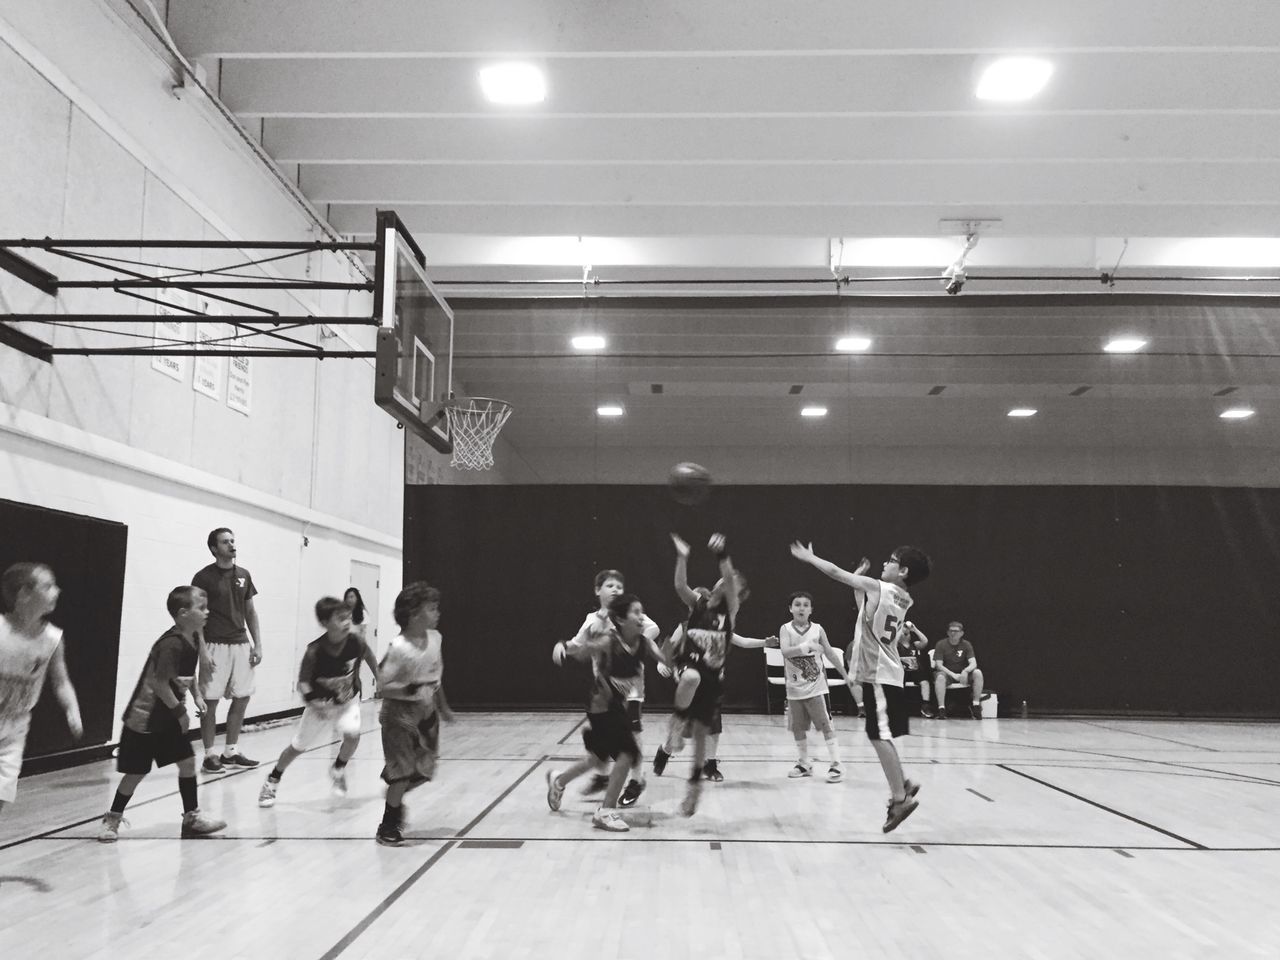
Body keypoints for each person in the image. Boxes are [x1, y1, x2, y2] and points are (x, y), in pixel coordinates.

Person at [791, 540, 932, 833]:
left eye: (891, 560)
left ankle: (900, 799)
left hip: (879, 673)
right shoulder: (903, 598)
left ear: (903, 570)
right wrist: (859, 584)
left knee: (879, 735)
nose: (885, 563)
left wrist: (811, 558)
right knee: (879, 734)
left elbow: (836, 572)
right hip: (886, 674)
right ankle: (901, 782)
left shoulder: (879, 587)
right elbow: (866, 613)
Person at [98, 586, 226, 840]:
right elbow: (159, 683)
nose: (207, 612)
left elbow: (186, 676)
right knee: (136, 772)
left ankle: (192, 818)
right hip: (145, 718)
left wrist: (197, 695)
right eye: (201, 608)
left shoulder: (193, 637)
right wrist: (181, 712)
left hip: (168, 715)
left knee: (187, 763)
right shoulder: (171, 644)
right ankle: (111, 819)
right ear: (182, 613)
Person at [657, 532, 763, 817]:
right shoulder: (698, 604)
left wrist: (723, 556)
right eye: (719, 583)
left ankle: (693, 790)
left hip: (713, 679)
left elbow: (729, 581)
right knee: (691, 678)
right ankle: (676, 726)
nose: (722, 585)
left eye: (729, 585)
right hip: (690, 668)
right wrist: (682, 557)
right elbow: (680, 585)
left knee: (702, 739)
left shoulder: (731, 611)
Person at [548, 592, 657, 832]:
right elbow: (583, 648)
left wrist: (679, 659)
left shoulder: (642, 641)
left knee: (597, 759)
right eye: (636, 612)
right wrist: (562, 645)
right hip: (600, 707)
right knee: (628, 753)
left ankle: (559, 781)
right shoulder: (609, 640)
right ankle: (605, 812)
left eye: (642, 612)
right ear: (620, 619)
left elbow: (665, 658)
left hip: (615, 706)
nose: (641, 617)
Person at [258, 596, 379, 808]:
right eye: (340, 619)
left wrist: (379, 678)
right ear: (324, 623)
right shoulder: (315, 650)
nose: (346, 622)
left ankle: (338, 768)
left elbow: (368, 654)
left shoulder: (356, 642)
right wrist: (314, 702)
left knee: (352, 737)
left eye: (348, 618)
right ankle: (272, 780)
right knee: (298, 747)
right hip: (320, 704)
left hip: (348, 700)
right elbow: (303, 683)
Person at [570, 570, 663, 807]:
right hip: (603, 691)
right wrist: (564, 647)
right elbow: (577, 644)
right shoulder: (593, 620)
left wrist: (634, 639)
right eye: (609, 585)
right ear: (597, 591)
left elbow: (653, 630)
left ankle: (636, 780)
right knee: (604, 741)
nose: (615, 590)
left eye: (619, 586)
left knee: (632, 732)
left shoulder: (629, 615)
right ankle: (602, 777)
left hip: (630, 687)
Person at [0, 563, 82, 815]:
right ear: (24, 593)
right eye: (48, 586)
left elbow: (61, 680)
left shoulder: (52, 637)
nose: (57, 591)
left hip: (16, 724)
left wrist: (72, 710)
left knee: (3, 790)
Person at [376, 582, 453, 846]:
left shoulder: (435, 638)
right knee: (403, 773)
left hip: (426, 712)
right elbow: (382, 687)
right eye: (432, 609)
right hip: (398, 715)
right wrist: (410, 688)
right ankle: (388, 824)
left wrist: (442, 707)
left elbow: (435, 678)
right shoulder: (398, 648)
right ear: (413, 614)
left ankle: (395, 787)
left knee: (425, 769)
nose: (437, 613)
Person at [193, 527, 262, 771]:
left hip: (241, 644)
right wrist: (201, 650)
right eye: (225, 542)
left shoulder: (244, 574)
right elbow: (196, 617)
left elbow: (250, 612)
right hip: (214, 644)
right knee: (209, 702)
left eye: (233, 540)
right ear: (214, 548)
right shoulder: (203, 578)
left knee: (242, 697)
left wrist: (258, 644)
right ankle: (209, 755)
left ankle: (230, 752)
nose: (232, 545)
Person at [779, 591, 853, 782]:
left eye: (805, 605)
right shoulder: (785, 629)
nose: (801, 608)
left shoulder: (818, 629)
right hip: (794, 688)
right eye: (797, 604)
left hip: (816, 687)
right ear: (790, 609)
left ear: (811, 610)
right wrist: (806, 648)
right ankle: (804, 763)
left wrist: (846, 675)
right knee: (798, 727)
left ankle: (837, 764)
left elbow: (829, 653)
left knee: (825, 725)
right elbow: (786, 652)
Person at [932, 621, 985, 719]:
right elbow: (938, 665)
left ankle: (976, 705)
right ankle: (941, 709)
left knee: (978, 673)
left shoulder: (966, 644)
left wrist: (965, 671)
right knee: (939, 677)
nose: (953, 633)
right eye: (951, 631)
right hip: (947, 674)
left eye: (956, 631)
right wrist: (952, 674)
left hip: (963, 674)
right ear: (947, 632)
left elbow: (973, 663)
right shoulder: (941, 644)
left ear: (961, 633)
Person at [896, 621, 934, 716]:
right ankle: (898, 706)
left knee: (925, 682)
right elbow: (893, 641)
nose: (906, 633)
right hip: (901, 671)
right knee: (899, 683)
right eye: (904, 632)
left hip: (915, 671)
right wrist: (899, 629)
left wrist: (914, 629)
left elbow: (925, 641)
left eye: (907, 633)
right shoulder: (896, 645)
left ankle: (925, 706)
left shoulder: (915, 645)